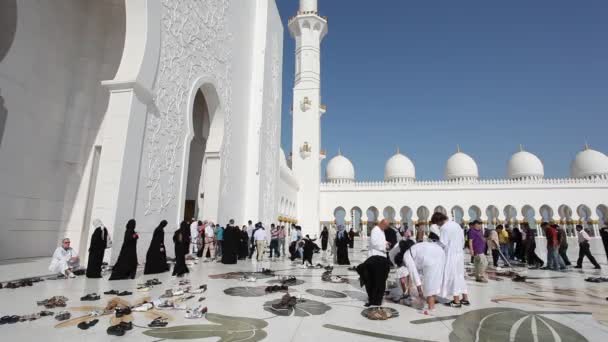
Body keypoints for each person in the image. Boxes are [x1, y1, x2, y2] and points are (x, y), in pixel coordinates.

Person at [432, 212, 470, 308]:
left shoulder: (444, 228)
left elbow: (443, 243)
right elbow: (462, 240)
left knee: (453, 276)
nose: (438, 225)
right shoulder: (456, 224)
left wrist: (433, 246)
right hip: (459, 254)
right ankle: (465, 299)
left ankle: (456, 301)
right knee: (460, 275)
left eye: (437, 223)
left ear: (439, 220)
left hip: (451, 255)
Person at [398, 239, 446, 312]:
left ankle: (431, 308)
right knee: (435, 282)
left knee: (430, 285)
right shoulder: (414, 249)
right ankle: (432, 303)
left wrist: (419, 290)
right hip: (440, 252)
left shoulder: (406, 256)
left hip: (431, 256)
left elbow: (414, 273)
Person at [356, 219, 390, 307]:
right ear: (382, 224)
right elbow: (374, 243)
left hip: (381, 257)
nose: (386, 228)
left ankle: (377, 299)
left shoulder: (381, 231)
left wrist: (386, 243)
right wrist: (385, 247)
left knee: (380, 280)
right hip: (375, 257)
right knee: (375, 279)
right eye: (386, 226)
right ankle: (373, 299)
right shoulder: (375, 230)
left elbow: (381, 242)